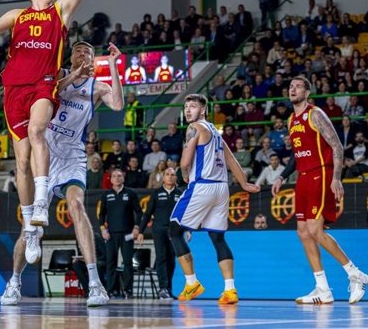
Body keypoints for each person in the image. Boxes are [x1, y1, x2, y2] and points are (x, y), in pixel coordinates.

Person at [0, 0, 118, 252]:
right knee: (20, 161)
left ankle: (41, 203)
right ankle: (31, 226)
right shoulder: (17, 16)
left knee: (38, 131)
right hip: (14, 90)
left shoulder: (61, 11)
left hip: (44, 85)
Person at [0, 42, 124, 307]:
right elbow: (51, 90)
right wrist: (74, 75)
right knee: (29, 225)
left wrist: (113, 66)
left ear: (93, 60)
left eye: (87, 53)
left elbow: (117, 105)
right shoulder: (58, 75)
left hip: (72, 156)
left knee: (77, 206)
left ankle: (95, 284)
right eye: (78, 51)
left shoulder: (97, 87)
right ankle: (14, 282)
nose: (82, 54)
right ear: (71, 57)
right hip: (45, 153)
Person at [272, 76, 368, 304]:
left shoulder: (315, 114)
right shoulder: (290, 121)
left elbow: (337, 144)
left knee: (315, 230)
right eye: (290, 87)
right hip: (303, 178)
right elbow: (297, 156)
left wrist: (336, 177)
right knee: (303, 232)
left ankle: (356, 274)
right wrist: (282, 176)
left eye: (298, 86)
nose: (292, 89)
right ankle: (323, 289)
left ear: (307, 93)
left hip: (321, 173)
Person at [169, 94, 260, 304]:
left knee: (174, 230)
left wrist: (184, 173)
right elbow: (232, 160)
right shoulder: (216, 133)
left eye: (192, 106)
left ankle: (191, 283)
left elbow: (185, 161)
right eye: (186, 106)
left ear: (202, 110)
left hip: (202, 185)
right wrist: (244, 184)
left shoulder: (194, 128)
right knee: (217, 237)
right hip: (222, 188)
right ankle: (230, 290)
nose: (188, 110)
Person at [136, 167, 184, 301]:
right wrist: (141, 231)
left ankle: (168, 289)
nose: (170, 177)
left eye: (172, 175)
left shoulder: (180, 194)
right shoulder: (156, 193)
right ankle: (162, 288)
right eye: (167, 174)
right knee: (161, 258)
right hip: (159, 230)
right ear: (163, 177)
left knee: (172, 260)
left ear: (176, 178)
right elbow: (147, 214)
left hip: (174, 232)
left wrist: (188, 230)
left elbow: (185, 214)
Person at [99, 168, 142, 299]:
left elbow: (139, 212)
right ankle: (110, 290)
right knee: (111, 262)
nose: (117, 178)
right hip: (111, 234)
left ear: (123, 177)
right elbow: (101, 215)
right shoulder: (106, 194)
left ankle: (128, 290)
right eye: (114, 176)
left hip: (127, 234)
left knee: (128, 263)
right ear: (110, 179)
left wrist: (136, 228)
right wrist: (103, 230)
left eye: (119, 175)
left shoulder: (131, 193)